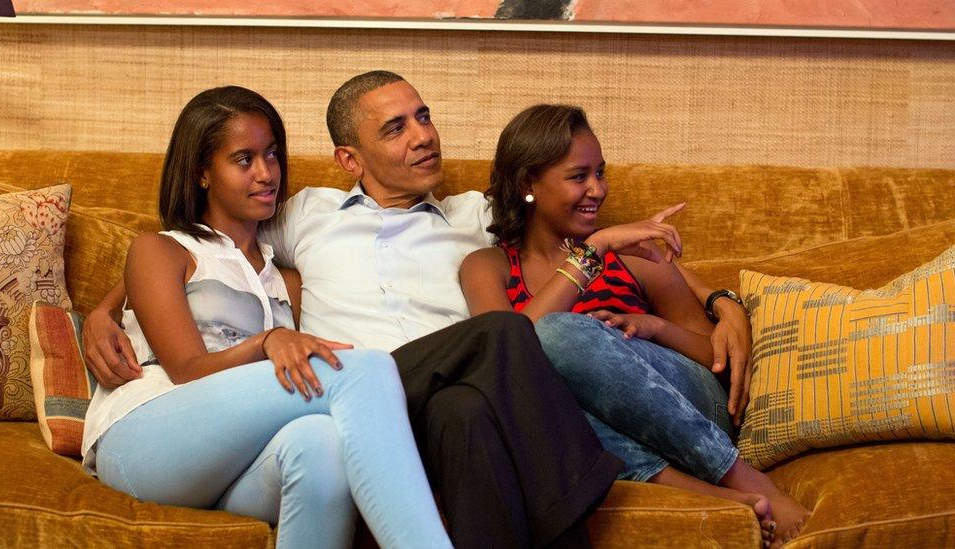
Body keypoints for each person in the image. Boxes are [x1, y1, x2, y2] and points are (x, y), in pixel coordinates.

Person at [82, 73, 624, 548]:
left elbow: (558, 209)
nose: (422, 136)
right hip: (274, 404)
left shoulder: (466, 218)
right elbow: (180, 257)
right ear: (350, 158)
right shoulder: (304, 215)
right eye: (395, 128)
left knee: (441, 418)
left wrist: (711, 300)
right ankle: (584, 481)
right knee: (468, 342)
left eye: (424, 117)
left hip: (402, 411)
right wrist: (103, 312)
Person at [81, 86, 453, 549]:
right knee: (367, 368)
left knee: (321, 445)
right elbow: (187, 372)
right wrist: (267, 340)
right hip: (146, 439)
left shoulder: (287, 281)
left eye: (272, 155)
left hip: (236, 458)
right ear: (202, 173)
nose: (266, 173)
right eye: (244, 160)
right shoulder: (162, 250)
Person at [459, 104, 811, 546]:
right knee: (527, 390)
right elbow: (508, 356)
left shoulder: (633, 256)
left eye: (600, 173)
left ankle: (746, 477)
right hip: (589, 429)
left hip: (691, 411)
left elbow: (713, 358)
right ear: (528, 183)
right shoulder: (487, 266)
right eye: (578, 176)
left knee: (559, 334)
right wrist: (592, 252)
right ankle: (704, 494)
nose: (597, 190)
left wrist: (652, 328)